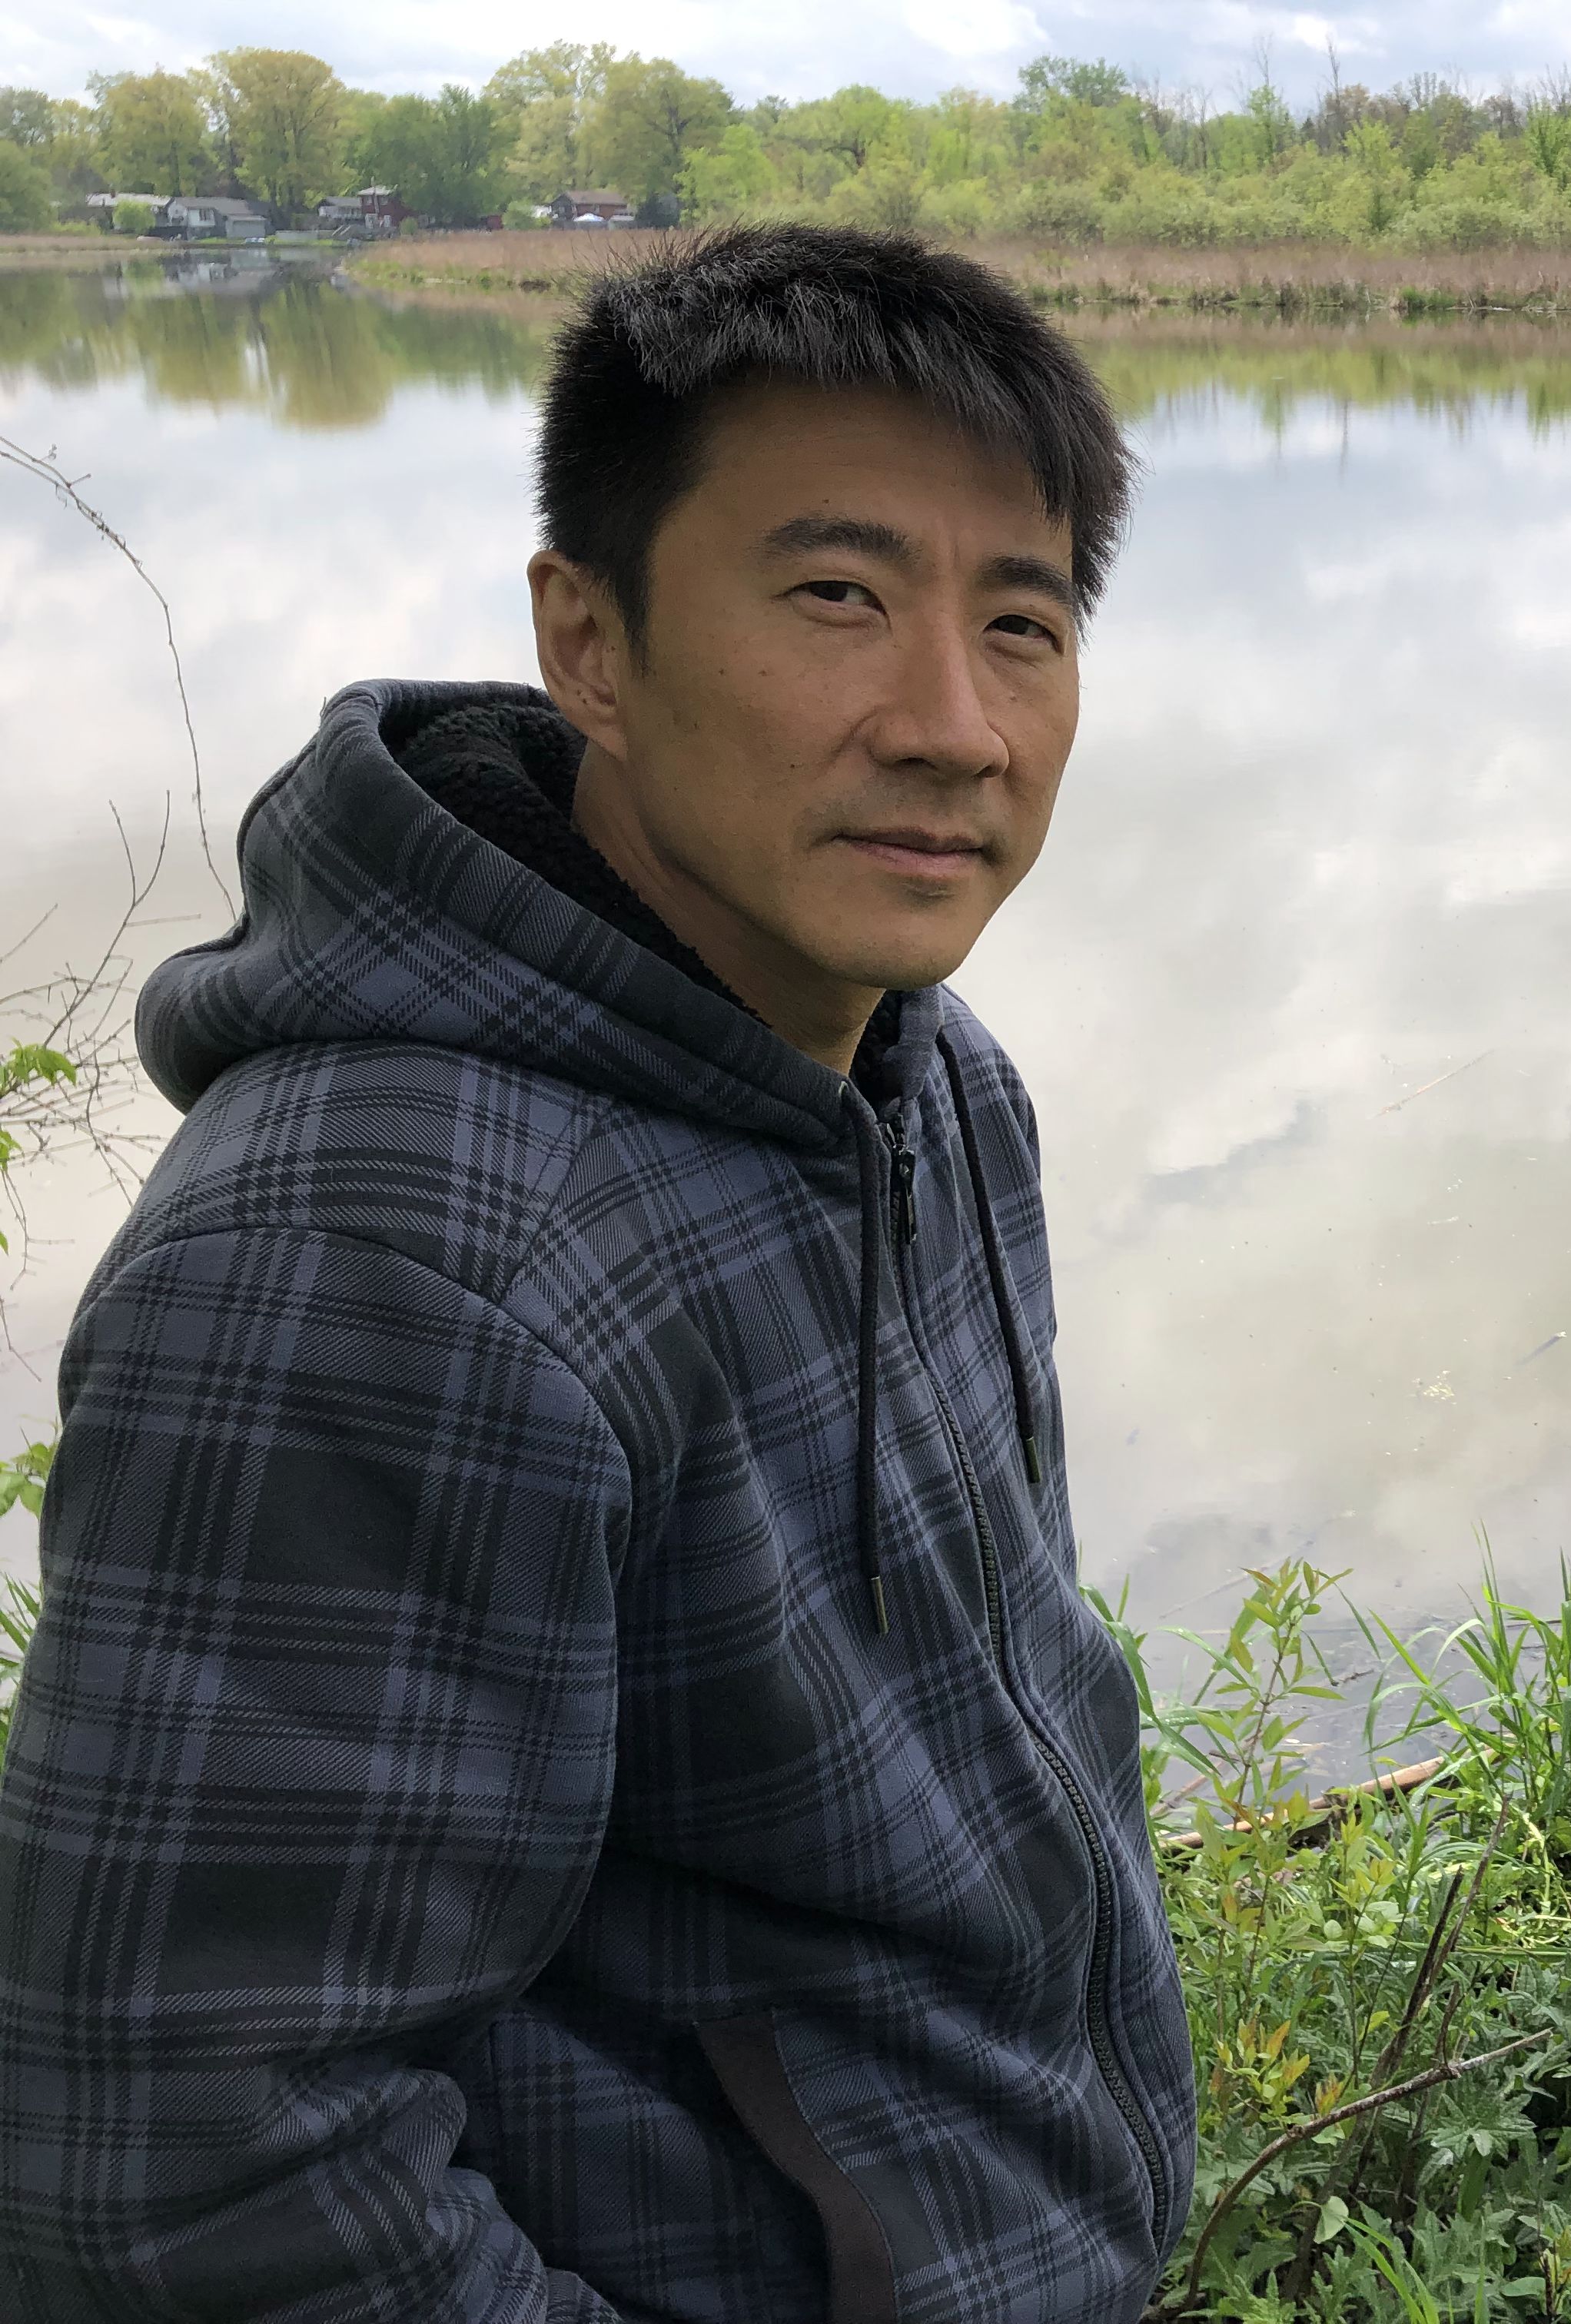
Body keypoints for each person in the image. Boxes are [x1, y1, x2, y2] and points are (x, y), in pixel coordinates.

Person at [0, 225, 1195, 2322]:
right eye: (836, 597)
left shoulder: (922, 1079)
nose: (952, 725)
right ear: (593, 643)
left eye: (1022, 625)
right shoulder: (378, 1258)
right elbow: (181, 2184)